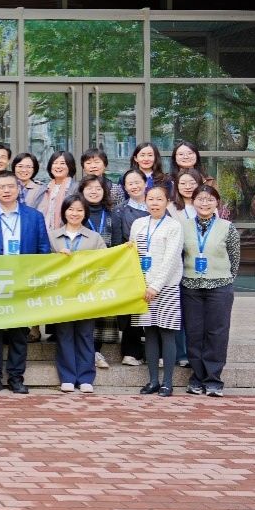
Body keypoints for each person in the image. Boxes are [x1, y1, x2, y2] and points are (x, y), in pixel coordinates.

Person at [0, 170, 51, 394]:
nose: (6, 190)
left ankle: (16, 377)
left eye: (10, 186)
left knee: (19, 332)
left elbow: (43, 250)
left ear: (18, 189)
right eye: (1, 187)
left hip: (23, 282)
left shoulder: (34, 217)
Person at [181, 185, 239, 397]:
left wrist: (224, 278)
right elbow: (180, 255)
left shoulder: (227, 227)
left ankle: (214, 379)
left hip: (219, 287)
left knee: (217, 333)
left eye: (209, 199)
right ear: (193, 201)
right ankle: (197, 378)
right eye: (200, 199)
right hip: (191, 287)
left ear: (217, 203)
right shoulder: (183, 226)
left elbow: (234, 259)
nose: (204, 203)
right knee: (194, 333)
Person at [49, 195, 109, 393]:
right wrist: (56, 258)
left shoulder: (94, 237)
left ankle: (85, 377)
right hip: (62, 294)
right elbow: (42, 264)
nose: (74, 213)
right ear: (64, 211)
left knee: (85, 334)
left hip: (86, 294)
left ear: (85, 213)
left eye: (79, 210)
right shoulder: (53, 236)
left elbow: (106, 262)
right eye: (71, 209)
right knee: (64, 334)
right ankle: (67, 377)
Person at [131, 184, 184, 397]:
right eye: (151, 199)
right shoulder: (138, 224)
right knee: (150, 333)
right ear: (145, 201)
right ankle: (153, 380)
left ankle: (168, 382)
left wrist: (156, 286)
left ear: (167, 202)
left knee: (167, 333)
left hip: (166, 287)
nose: (154, 203)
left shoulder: (174, 226)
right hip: (143, 288)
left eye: (159, 199)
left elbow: (171, 259)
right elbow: (132, 253)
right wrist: (141, 284)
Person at [78, 174, 121, 369]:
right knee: (82, 312)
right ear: (82, 191)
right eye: (89, 188)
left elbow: (118, 244)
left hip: (106, 271)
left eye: (98, 188)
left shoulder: (113, 214)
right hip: (81, 272)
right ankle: (83, 352)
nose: (94, 192)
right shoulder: (77, 212)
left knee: (102, 314)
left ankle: (96, 351)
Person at [112, 169, 150, 366]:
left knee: (153, 307)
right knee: (132, 309)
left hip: (154, 265)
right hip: (131, 265)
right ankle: (130, 352)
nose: (134, 186)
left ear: (145, 183)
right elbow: (117, 242)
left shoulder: (156, 204)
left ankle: (155, 352)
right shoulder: (119, 210)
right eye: (130, 183)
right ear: (125, 188)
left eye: (137, 182)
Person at [27, 151, 76, 231]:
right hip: (44, 233)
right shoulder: (44, 189)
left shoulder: (76, 188)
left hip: (66, 233)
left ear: (70, 166)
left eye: (62, 163)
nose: (58, 166)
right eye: (55, 163)